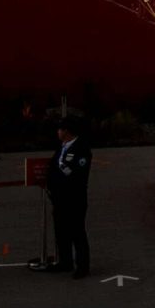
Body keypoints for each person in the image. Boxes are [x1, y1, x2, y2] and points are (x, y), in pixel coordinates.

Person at [45, 116, 93, 277]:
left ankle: (82, 266)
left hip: (74, 198)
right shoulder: (62, 147)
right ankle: (65, 262)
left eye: (60, 129)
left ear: (66, 131)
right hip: (59, 198)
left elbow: (78, 175)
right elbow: (53, 168)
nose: (57, 132)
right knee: (61, 231)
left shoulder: (81, 148)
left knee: (77, 232)